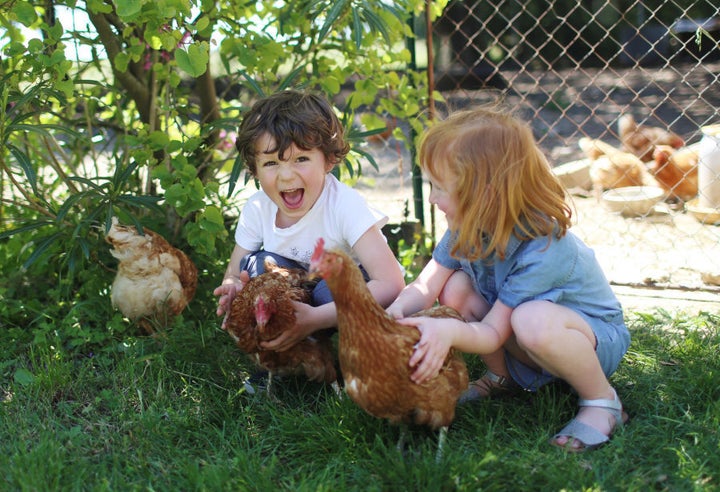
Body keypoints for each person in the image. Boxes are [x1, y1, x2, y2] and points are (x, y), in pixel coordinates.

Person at [386, 106, 631, 452]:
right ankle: (504, 378)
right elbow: (425, 286)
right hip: (525, 334)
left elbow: (490, 334)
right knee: (454, 287)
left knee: (530, 319)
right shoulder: (467, 226)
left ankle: (601, 401)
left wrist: (449, 331)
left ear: (483, 193)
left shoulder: (543, 247)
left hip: (589, 340)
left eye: (440, 187)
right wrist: (391, 315)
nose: (432, 198)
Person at [214, 89, 405, 353]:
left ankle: (351, 359)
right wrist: (234, 288)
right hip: (298, 294)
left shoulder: (344, 205)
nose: (286, 176)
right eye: (270, 163)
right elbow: (235, 272)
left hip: (347, 300)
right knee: (257, 267)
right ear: (254, 168)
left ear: (328, 160)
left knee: (329, 288)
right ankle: (287, 360)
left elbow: (391, 283)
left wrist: (318, 318)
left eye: (301, 159)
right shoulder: (258, 207)